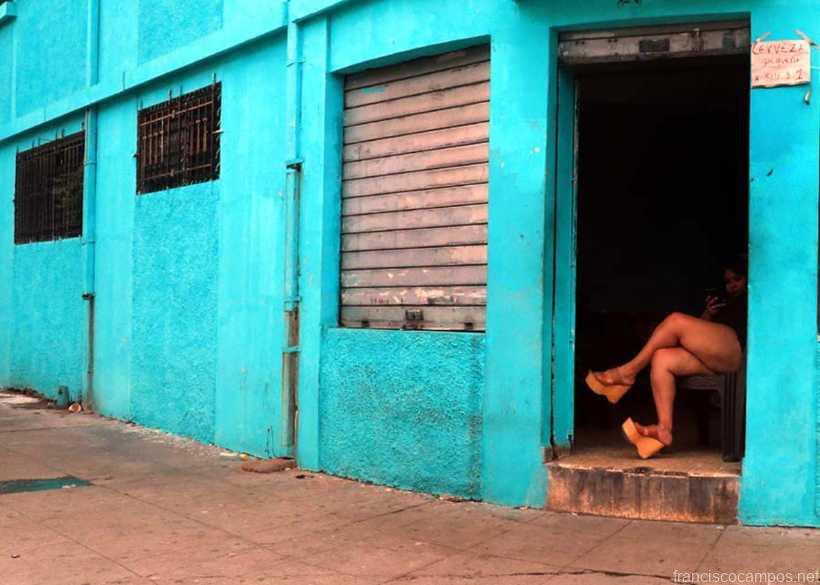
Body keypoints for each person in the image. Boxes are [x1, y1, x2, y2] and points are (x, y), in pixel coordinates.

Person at [585, 257, 748, 458]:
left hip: (739, 352)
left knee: (675, 320)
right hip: (718, 357)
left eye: (737, 279)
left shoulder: (753, 296)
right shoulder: (725, 303)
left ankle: (628, 372)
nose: (732, 285)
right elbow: (700, 338)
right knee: (662, 358)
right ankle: (664, 430)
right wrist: (709, 313)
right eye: (728, 281)